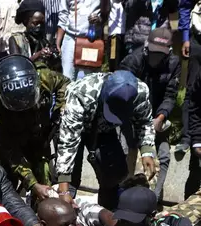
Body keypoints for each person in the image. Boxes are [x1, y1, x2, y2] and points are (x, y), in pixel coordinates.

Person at [55, 70, 157, 210]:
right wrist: (64, 187)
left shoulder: (140, 92)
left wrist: (147, 151)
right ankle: (63, 215)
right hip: (74, 127)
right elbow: (68, 141)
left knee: (114, 174)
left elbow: (144, 121)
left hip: (104, 129)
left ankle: (108, 215)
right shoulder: (82, 93)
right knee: (70, 181)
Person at [0, 55, 70, 200]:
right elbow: (12, 155)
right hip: (11, 142)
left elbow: (64, 84)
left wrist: (59, 111)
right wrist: (33, 184)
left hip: (38, 135)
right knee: (4, 183)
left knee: (46, 184)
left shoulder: (43, 77)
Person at [120, 28, 181, 201]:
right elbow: (121, 95)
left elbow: (170, 96)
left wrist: (160, 118)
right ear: (147, 46)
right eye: (153, 53)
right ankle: (123, 198)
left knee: (163, 155)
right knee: (126, 152)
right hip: (131, 117)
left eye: (160, 54)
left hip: (156, 118)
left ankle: (151, 202)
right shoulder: (133, 61)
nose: (156, 58)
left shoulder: (174, 64)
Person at [55, 0, 104, 80]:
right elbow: (63, 16)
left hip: (91, 41)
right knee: (67, 77)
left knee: (90, 79)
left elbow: (106, 11)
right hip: (71, 39)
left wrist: (99, 20)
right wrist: (58, 42)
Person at [9, 0, 60, 71]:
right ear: (26, 21)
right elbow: (18, 65)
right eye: (35, 23)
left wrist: (52, 55)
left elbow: (56, 66)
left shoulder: (44, 40)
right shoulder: (15, 40)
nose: (39, 26)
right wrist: (38, 55)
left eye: (41, 23)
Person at [178, 1, 201, 153]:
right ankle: (187, 137)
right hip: (197, 39)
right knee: (192, 86)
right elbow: (185, 6)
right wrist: (186, 37)